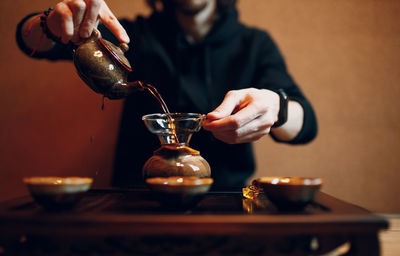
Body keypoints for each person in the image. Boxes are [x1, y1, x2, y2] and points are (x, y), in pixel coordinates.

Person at [16, 0, 317, 188]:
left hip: (224, 205)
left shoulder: (254, 44)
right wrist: (51, 23)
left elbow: (306, 125)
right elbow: (30, 40)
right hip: (136, 202)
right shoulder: (134, 35)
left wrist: (276, 107)